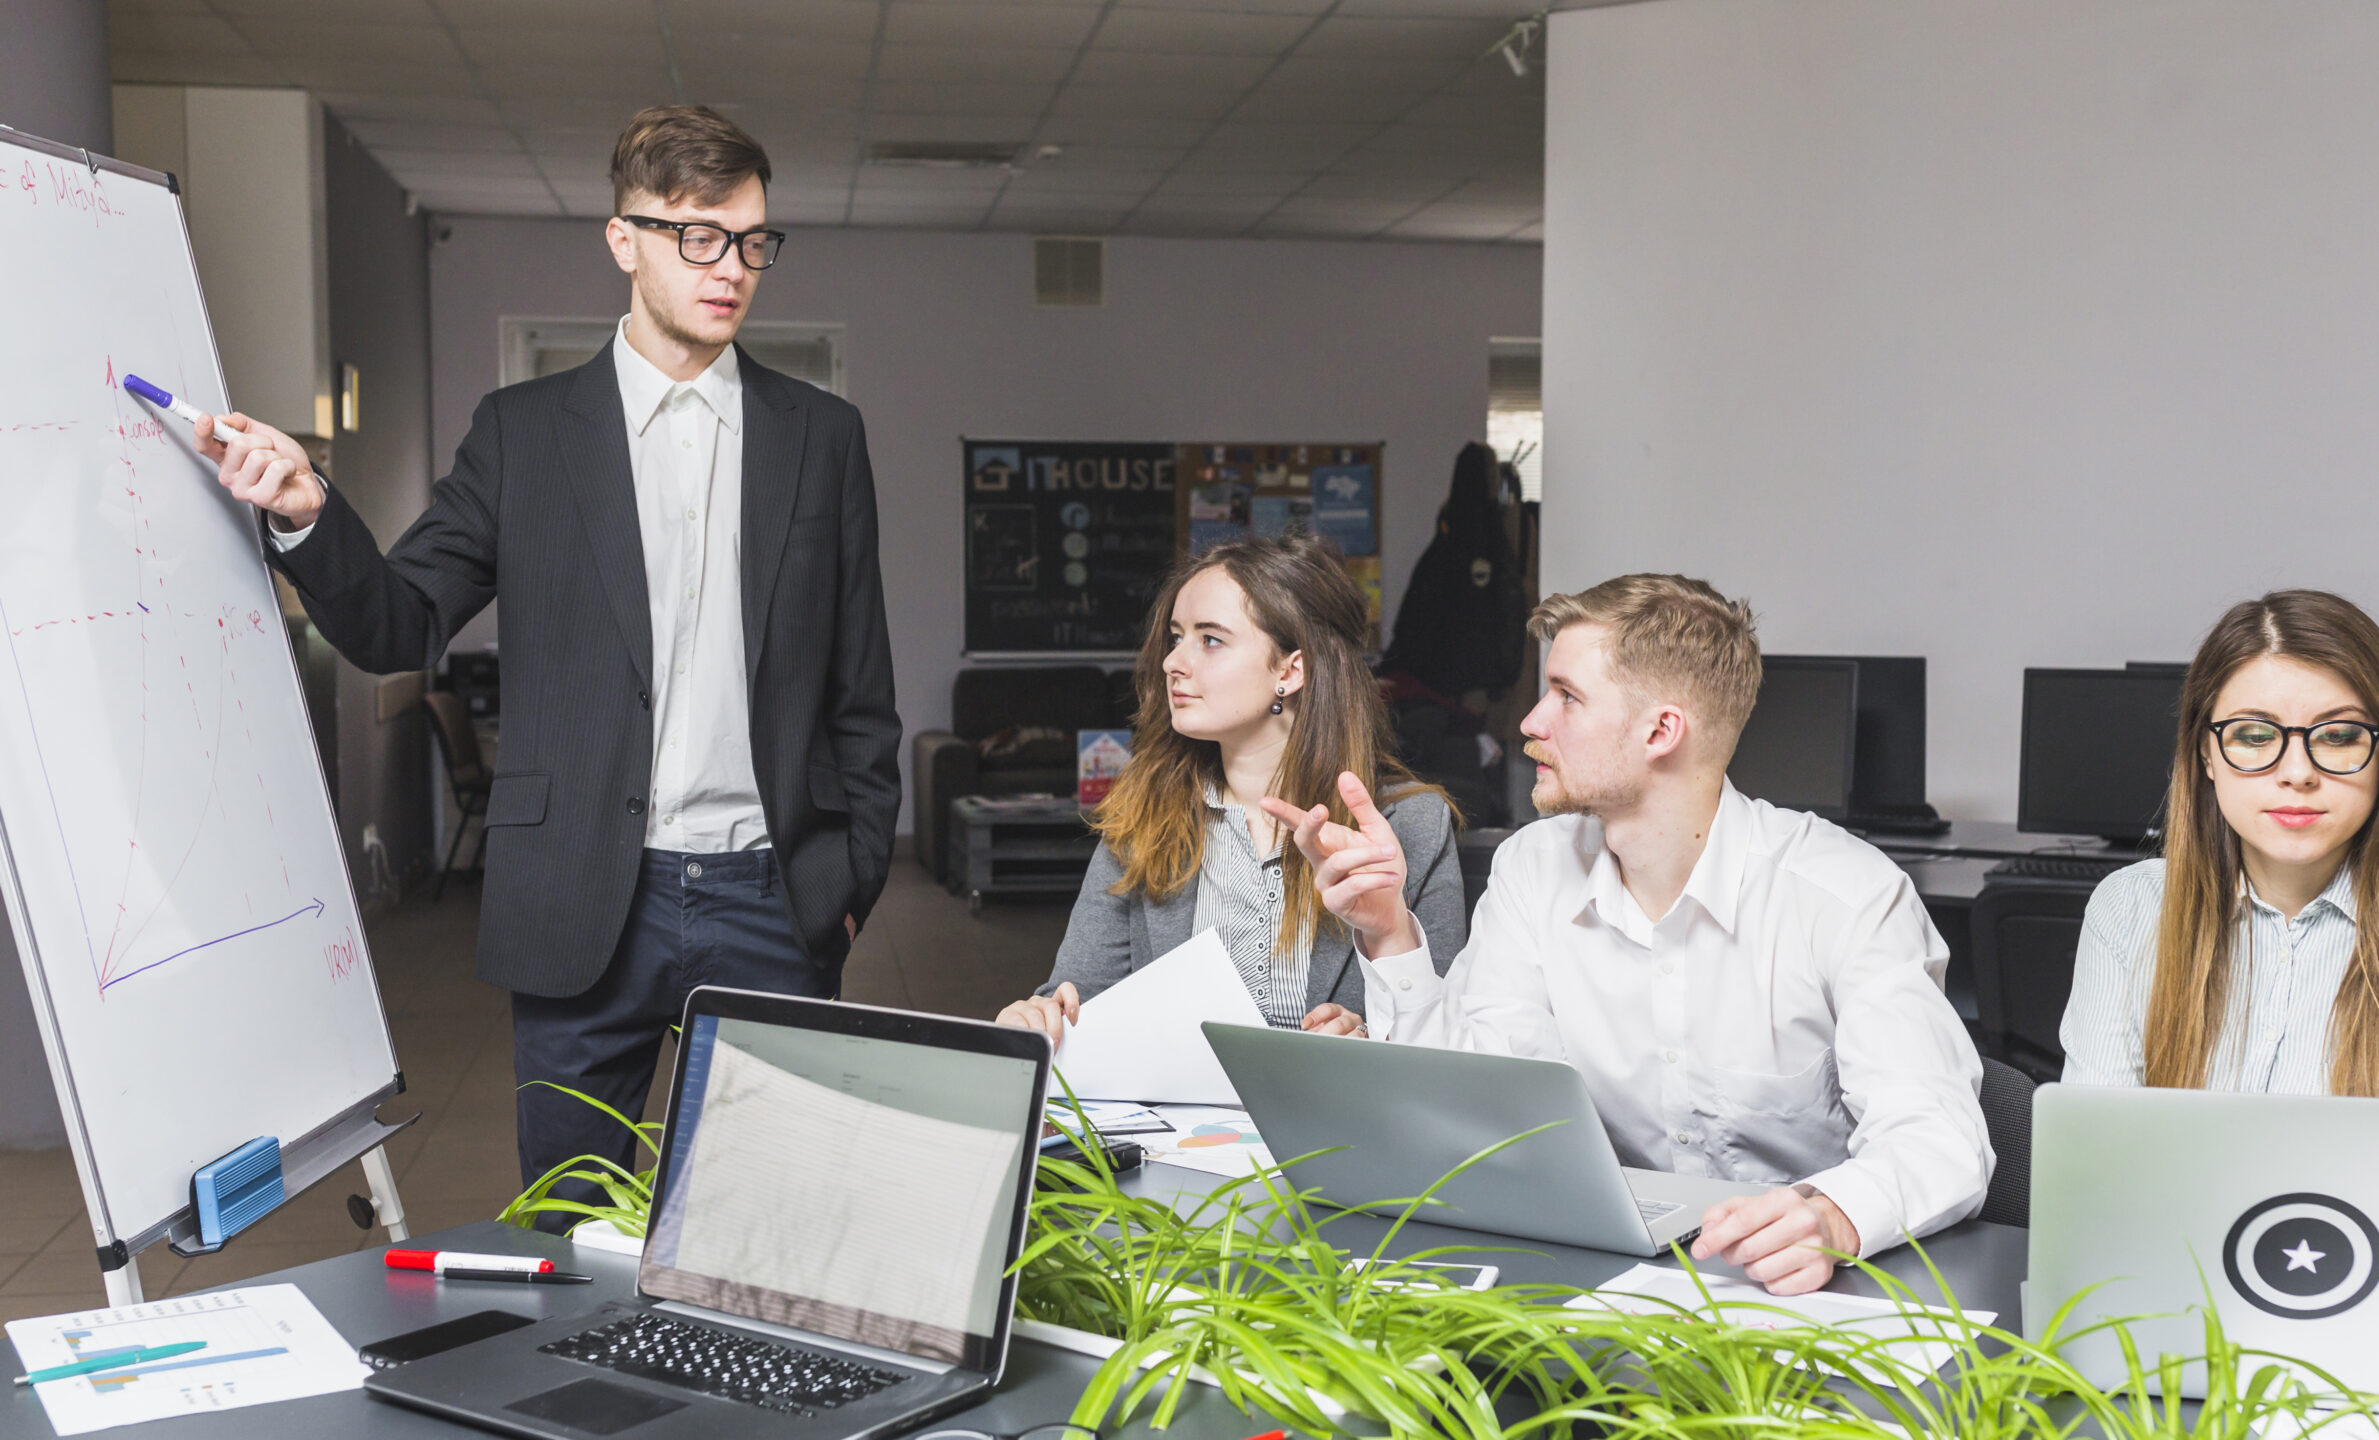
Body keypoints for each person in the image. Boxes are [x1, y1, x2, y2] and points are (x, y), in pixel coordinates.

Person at [187, 105, 901, 1219]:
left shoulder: (822, 436)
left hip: (775, 899)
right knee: (569, 1234)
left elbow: (862, 688)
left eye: (752, 240)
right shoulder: (523, 432)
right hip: (582, 899)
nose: (730, 268)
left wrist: (848, 881)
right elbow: (400, 623)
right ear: (625, 240)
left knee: (770, 1237)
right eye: (698, 236)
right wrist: (306, 512)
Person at [1268, 573, 1989, 1297]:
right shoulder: (1533, 868)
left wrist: (1831, 1217)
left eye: (1567, 697)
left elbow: (1938, 1136)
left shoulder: (1844, 894)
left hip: (1798, 1295)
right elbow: (1483, 1105)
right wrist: (1389, 930)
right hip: (1599, 1277)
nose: (1531, 722)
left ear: (1660, 732)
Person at [2059, 590, 2379, 1102]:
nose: (2297, 773)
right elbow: (2096, 1146)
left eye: (2338, 736)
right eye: (2254, 735)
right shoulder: (2129, 910)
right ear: (2206, 753)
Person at [996, 536, 1466, 1047]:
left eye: (1210, 640)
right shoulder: (1145, 812)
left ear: (1291, 670)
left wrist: (1368, 1038)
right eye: (1176, 637)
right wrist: (1038, 1018)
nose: (1172, 662)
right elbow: (1076, 1002)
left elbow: (1450, 1039)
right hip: (1176, 1102)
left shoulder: (1413, 826)